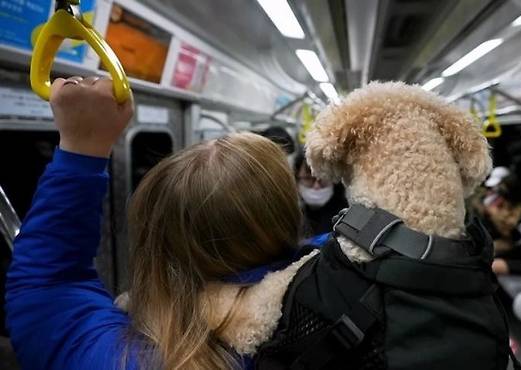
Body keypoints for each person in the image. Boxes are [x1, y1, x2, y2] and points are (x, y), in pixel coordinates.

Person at [5, 76, 305, 369]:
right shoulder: (335, 318)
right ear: (290, 218)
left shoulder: (121, 359)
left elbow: (50, 289)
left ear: (161, 242)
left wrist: (82, 147)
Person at [294, 154, 347, 237]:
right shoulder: (291, 217)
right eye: (308, 179)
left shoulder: (346, 215)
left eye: (322, 179)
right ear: (296, 181)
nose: (316, 186)